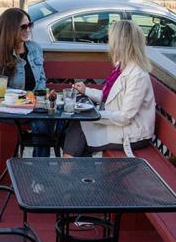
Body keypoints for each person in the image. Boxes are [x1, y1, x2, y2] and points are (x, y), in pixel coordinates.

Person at [61, 20, 157, 157]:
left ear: (120, 43)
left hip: (133, 133)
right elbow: (111, 97)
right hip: (120, 125)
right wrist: (86, 91)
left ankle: (66, 172)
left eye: (111, 39)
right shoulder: (122, 66)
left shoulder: (138, 75)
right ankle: (73, 172)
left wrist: (93, 115)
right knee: (74, 127)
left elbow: (125, 117)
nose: (109, 44)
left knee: (78, 129)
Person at [0, 7, 55, 157]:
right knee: (42, 122)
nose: (28, 29)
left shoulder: (35, 48)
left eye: (30, 25)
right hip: (10, 106)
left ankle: (41, 169)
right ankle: (39, 170)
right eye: (23, 26)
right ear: (10, 29)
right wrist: (26, 99)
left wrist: (38, 97)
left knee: (57, 121)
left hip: (34, 103)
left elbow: (42, 78)